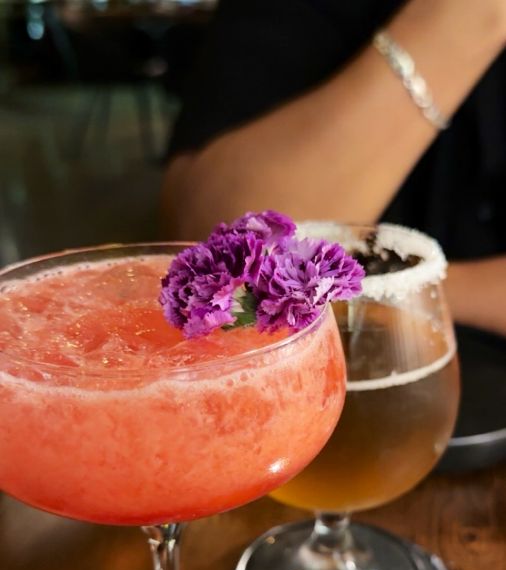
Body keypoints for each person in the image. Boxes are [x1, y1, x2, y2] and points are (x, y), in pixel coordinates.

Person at [161, 0, 506, 335]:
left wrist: (401, 291)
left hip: (413, 347)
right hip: (308, 354)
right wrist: (469, 20)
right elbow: (219, 273)